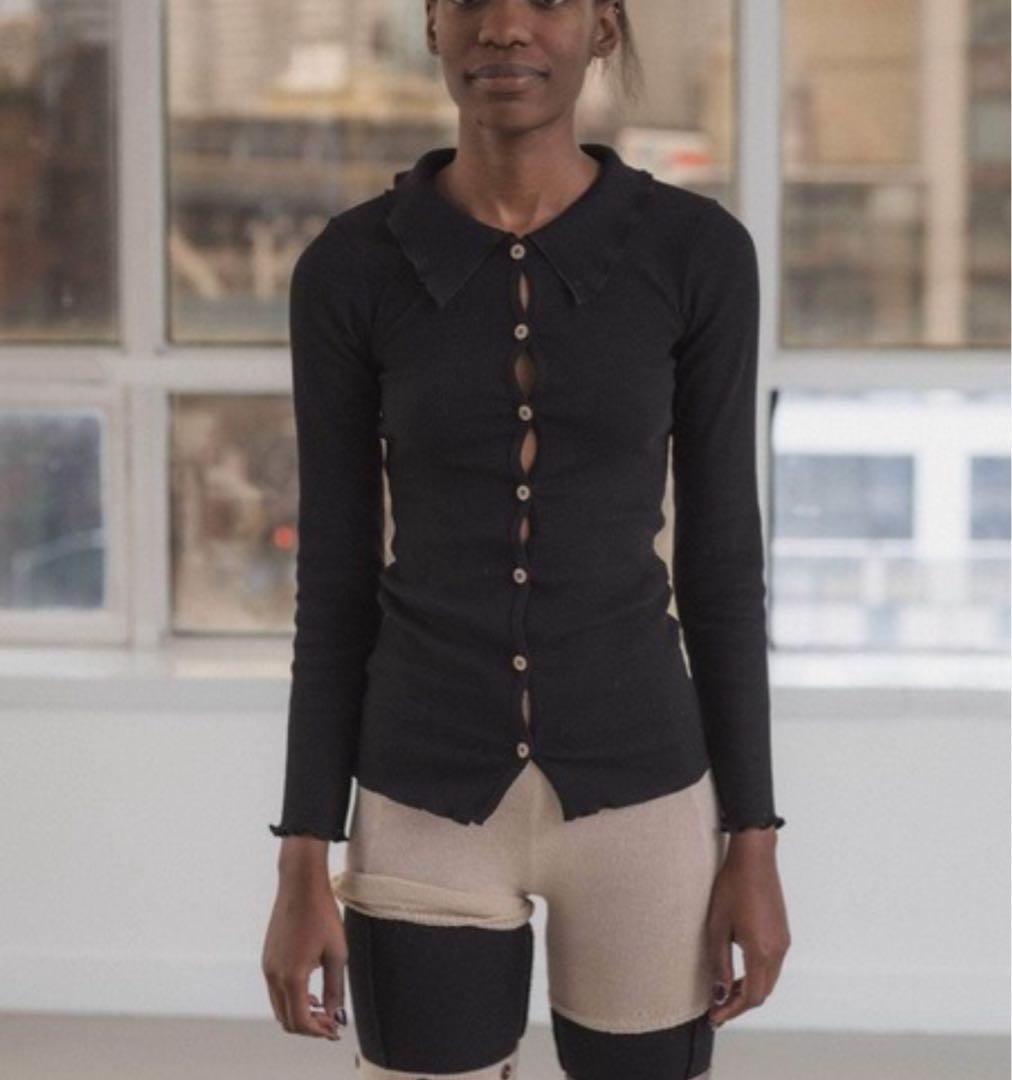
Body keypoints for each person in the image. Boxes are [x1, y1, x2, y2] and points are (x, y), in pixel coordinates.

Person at [262, 1, 790, 1077]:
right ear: (431, 24)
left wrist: (754, 838)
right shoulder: (351, 268)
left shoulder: (696, 255)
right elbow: (335, 580)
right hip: (420, 794)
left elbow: (723, 569)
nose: (504, 27)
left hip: (644, 794)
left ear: (602, 26)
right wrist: (301, 856)